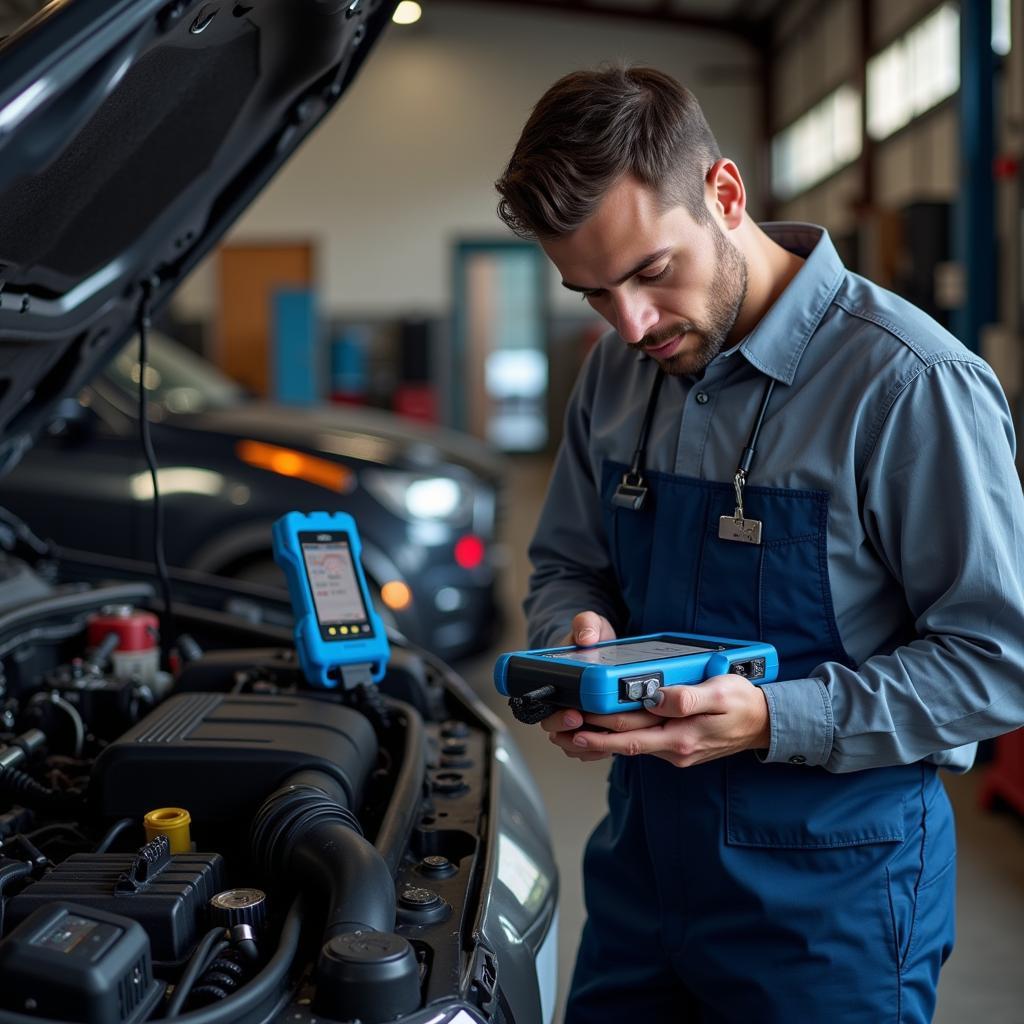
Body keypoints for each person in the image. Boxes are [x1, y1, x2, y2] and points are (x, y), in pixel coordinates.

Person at [494, 64, 1024, 1023]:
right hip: (642, 870)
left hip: (833, 903)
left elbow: (996, 663)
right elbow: (567, 562)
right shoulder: (616, 375)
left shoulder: (909, 386)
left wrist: (776, 718)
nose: (631, 323)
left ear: (725, 194)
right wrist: (576, 638)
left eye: (651, 272)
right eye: (593, 294)